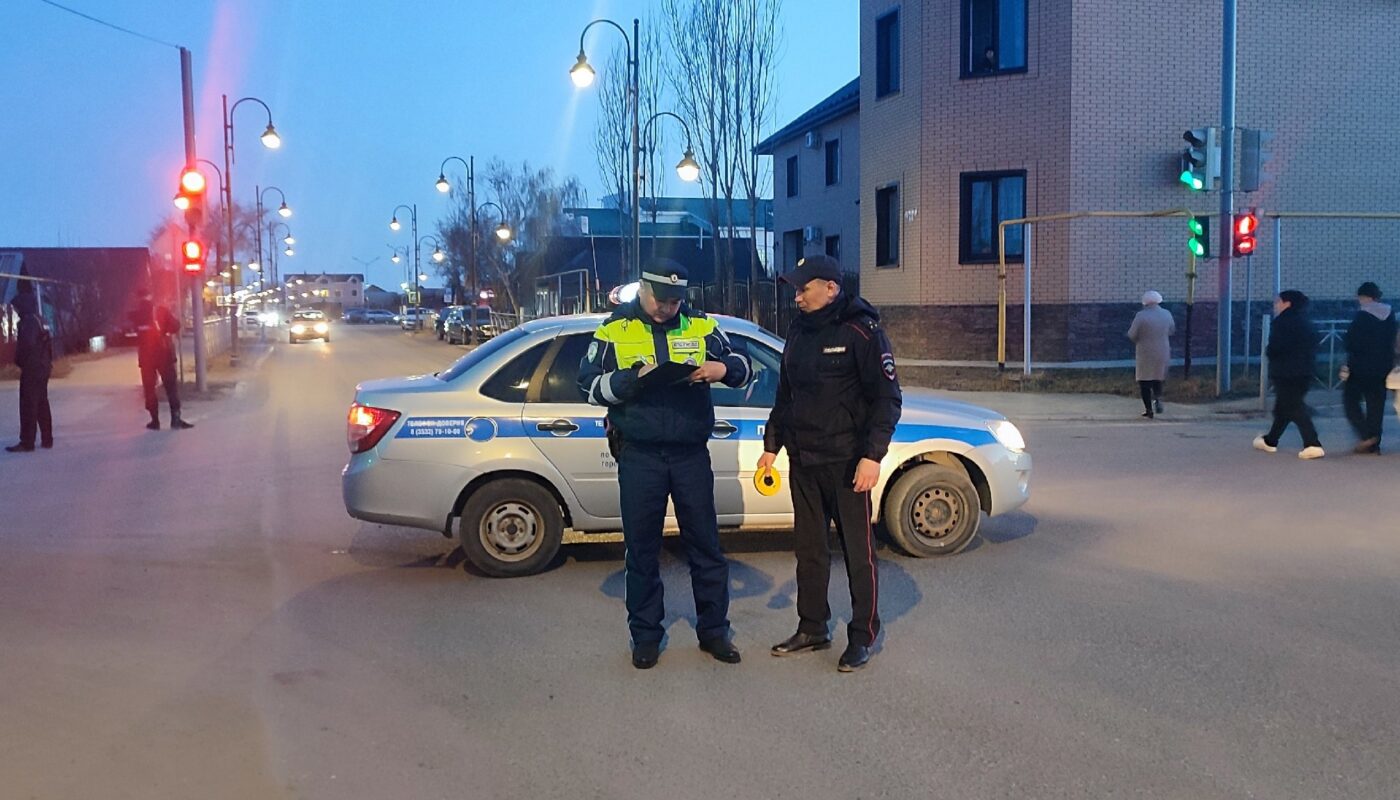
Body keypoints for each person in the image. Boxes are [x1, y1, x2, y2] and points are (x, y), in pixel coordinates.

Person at [576, 259, 751, 670]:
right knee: (642, 552)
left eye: (675, 301)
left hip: (690, 455)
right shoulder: (613, 330)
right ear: (643, 289)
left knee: (706, 547)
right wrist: (629, 380)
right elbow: (586, 386)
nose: (668, 308)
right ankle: (646, 636)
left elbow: (744, 367)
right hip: (640, 455)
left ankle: (714, 632)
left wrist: (722, 368)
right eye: (661, 300)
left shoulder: (701, 325)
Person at [758, 255, 902, 673]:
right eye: (796, 290)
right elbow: (786, 396)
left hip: (847, 463)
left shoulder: (862, 331)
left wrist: (872, 456)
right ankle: (812, 627)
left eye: (804, 289)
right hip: (804, 460)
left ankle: (862, 636)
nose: (797, 297)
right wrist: (772, 445)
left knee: (858, 554)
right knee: (810, 551)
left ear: (831, 288)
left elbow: (887, 400)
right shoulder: (798, 331)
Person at [1255, 290, 1324, 459]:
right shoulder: (1305, 320)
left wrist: (1270, 352)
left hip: (1286, 372)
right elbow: (1315, 342)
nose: (1276, 305)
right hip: (1305, 371)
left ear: (1287, 303)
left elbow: (1276, 347)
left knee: (1294, 407)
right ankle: (1270, 441)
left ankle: (1312, 444)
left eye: (1278, 302)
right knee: (1283, 408)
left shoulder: (1282, 322)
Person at [1340, 282, 1396, 454]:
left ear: (1363, 296)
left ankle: (1366, 436)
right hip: (1383, 366)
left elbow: (1351, 342)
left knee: (1350, 401)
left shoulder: (1362, 316)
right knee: (1376, 405)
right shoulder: (1390, 314)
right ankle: (1374, 443)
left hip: (1360, 367)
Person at [130, 288, 193, 431]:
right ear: (150, 295)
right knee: (171, 387)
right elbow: (176, 326)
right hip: (164, 355)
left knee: (149, 389)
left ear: (137, 298)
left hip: (146, 357)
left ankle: (155, 421)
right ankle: (175, 419)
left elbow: (135, 333)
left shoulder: (135, 314)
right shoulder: (160, 311)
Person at [5, 288, 54, 453]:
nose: (16, 311)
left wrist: (19, 361)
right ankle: (47, 439)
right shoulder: (40, 319)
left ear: (23, 306)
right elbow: (48, 345)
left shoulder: (29, 322)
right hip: (43, 366)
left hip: (32, 368)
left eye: (17, 307)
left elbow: (27, 345)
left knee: (28, 405)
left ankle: (27, 442)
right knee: (42, 403)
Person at [1127, 290, 1175, 418]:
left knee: (1144, 381)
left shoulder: (1141, 316)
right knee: (1158, 377)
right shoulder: (1167, 314)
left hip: (1145, 352)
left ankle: (1149, 410)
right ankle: (1158, 398)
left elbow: (1132, 334)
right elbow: (1172, 330)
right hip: (1163, 350)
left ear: (1145, 302)